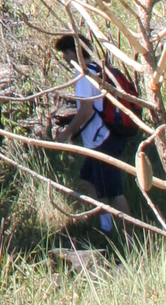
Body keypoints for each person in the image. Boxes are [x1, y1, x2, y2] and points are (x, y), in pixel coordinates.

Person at [53, 33, 139, 235]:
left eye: (65, 53)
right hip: (108, 136)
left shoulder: (83, 75)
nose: (65, 58)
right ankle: (106, 226)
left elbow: (86, 110)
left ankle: (130, 239)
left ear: (74, 52)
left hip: (102, 140)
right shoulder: (99, 69)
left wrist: (66, 134)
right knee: (87, 179)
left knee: (114, 192)